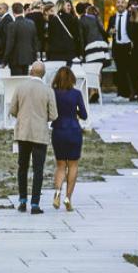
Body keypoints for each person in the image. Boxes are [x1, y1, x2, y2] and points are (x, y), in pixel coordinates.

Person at [9, 61, 57, 214]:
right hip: (39, 133)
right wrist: (43, 119)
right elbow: (54, 114)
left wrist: (22, 117)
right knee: (38, 169)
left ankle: (22, 200)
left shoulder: (20, 87)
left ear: (31, 71)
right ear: (43, 74)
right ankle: (35, 203)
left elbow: (12, 109)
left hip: (23, 132)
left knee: (22, 167)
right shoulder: (48, 90)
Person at [49, 67, 88, 211]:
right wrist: (75, 111)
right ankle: (68, 198)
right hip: (73, 130)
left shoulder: (53, 93)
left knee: (60, 165)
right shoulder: (76, 94)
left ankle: (57, 193)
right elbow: (84, 115)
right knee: (73, 165)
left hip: (58, 130)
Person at [3, 2, 40, 76]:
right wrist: (35, 57)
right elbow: (35, 42)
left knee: (16, 82)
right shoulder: (31, 23)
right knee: (26, 79)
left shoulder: (12, 25)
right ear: (23, 10)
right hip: (28, 57)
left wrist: (5, 60)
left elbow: (10, 44)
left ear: (13, 12)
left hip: (15, 59)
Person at [107, 0, 132, 99]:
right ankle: (121, 93)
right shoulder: (112, 18)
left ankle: (131, 93)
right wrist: (110, 32)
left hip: (128, 46)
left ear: (125, 4)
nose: (120, 4)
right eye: (118, 2)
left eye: (122, 2)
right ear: (115, 4)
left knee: (129, 70)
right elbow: (107, 32)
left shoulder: (130, 16)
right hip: (117, 47)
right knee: (120, 71)